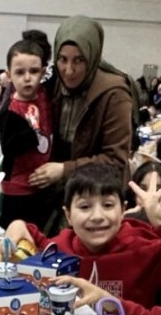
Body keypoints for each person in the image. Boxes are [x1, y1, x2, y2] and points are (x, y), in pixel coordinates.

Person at [1, 163, 161, 309]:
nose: (97, 216)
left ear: (123, 210)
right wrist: (17, 225)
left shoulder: (146, 250)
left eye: (108, 205)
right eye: (85, 207)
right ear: (68, 214)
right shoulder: (61, 247)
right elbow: (36, 241)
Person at [38, 15, 136, 195]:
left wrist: (64, 170)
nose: (69, 70)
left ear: (92, 57)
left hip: (101, 192)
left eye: (79, 60)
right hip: (63, 190)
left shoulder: (114, 94)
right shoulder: (55, 85)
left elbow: (115, 160)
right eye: (62, 59)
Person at [0, 37, 56, 228]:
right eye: (20, 72)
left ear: (43, 72)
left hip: (43, 185)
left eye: (34, 71)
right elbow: (8, 148)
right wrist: (29, 133)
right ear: (9, 75)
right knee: (15, 238)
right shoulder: (10, 111)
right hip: (18, 190)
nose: (27, 78)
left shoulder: (45, 94)